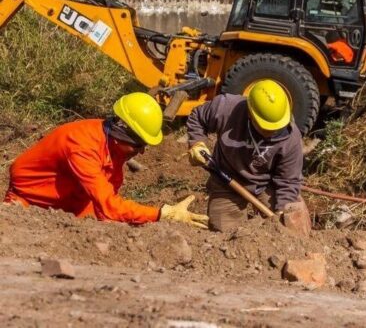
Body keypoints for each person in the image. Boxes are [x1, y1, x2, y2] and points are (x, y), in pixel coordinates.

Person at [4, 93, 208, 228]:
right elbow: (109, 206)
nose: (143, 152)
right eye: (139, 145)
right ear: (122, 134)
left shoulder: (114, 147)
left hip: (71, 205)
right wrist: (161, 214)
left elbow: (107, 204)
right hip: (29, 205)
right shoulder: (82, 146)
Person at [186, 79, 306, 232]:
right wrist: (196, 143)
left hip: (266, 184)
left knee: (287, 223)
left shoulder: (291, 137)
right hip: (226, 180)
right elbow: (197, 117)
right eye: (266, 128)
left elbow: (288, 181)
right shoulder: (226, 108)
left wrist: (282, 211)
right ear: (250, 114)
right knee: (224, 233)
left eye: (276, 128)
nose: (273, 133)